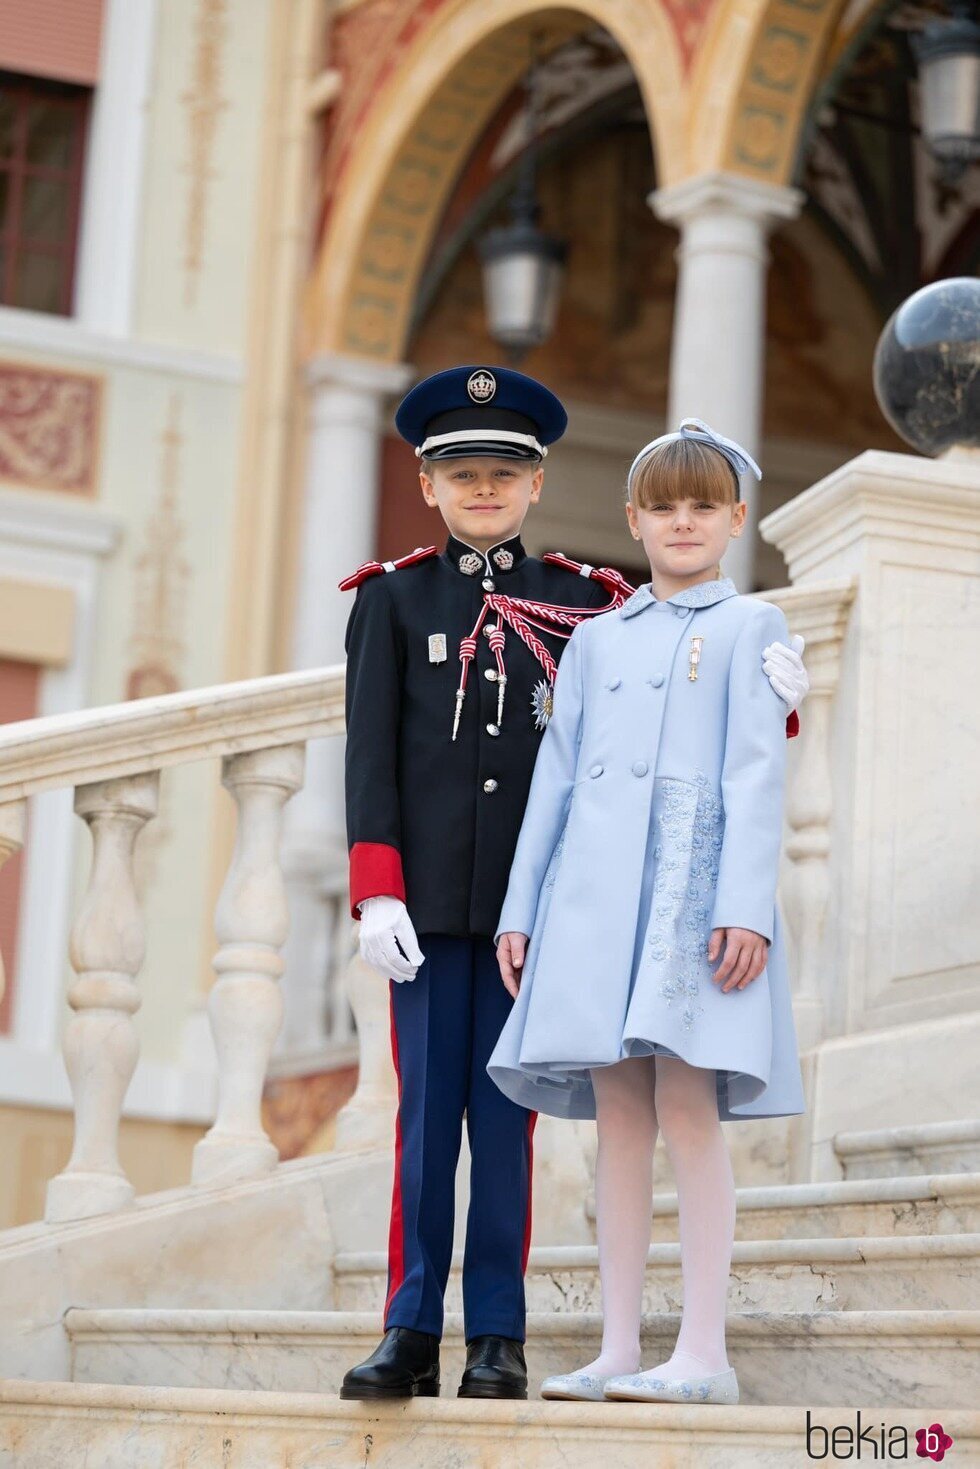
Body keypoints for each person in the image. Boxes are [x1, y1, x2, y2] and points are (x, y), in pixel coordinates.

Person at [338, 373, 809, 1403]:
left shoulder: (580, 599)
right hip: (445, 909)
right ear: (427, 484)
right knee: (425, 1123)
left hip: (565, 913)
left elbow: (710, 733)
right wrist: (376, 889)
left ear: (537, 482)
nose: (482, 489)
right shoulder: (393, 597)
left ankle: (497, 1337)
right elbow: (371, 754)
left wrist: (782, 710)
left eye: (501, 473)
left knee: (508, 1124)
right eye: (461, 473)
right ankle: (411, 1324)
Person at [489, 417, 807, 1407]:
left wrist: (743, 907)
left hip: (689, 896)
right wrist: (522, 907)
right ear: (632, 517)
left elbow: (757, 774)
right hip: (592, 895)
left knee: (686, 1107)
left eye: (701, 505)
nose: (680, 521)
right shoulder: (590, 639)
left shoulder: (753, 627)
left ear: (734, 518)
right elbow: (552, 777)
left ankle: (702, 1350)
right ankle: (617, 1345)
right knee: (615, 1119)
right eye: (662, 506)